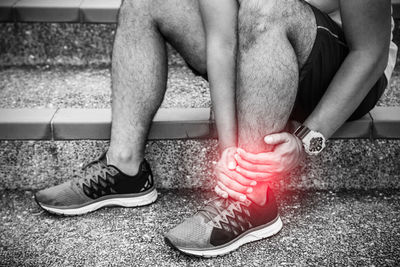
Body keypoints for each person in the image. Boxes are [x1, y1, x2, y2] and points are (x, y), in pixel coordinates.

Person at [34, 0, 396, 257]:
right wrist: (228, 151)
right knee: (145, 1)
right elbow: (221, 45)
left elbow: (370, 52)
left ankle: (252, 199)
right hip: (257, 55)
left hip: (341, 78)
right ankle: (124, 167)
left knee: (266, 7)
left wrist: (308, 138)